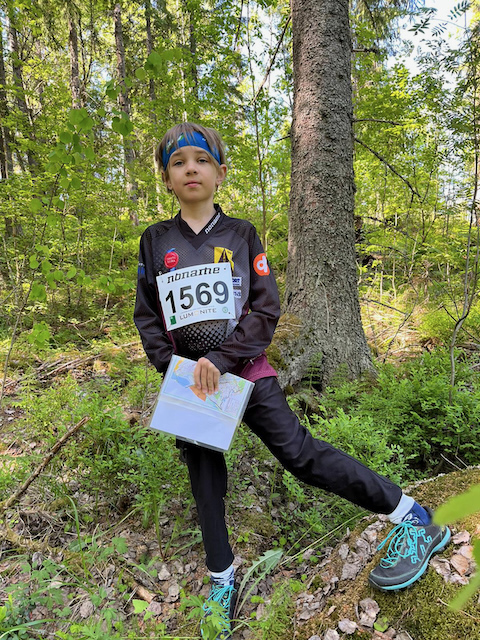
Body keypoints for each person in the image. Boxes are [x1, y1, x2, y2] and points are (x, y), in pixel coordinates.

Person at [134, 122, 451, 639]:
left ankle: (414, 516)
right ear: (166, 179)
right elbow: (148, 316)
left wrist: (223, 358)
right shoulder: (155, 240)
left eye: (201, 159)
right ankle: (222, 582)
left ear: (220, 172)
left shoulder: (241, 235)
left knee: (300, 454)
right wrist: (174, 368)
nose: (191, 169)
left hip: (246, 373)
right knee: (205, 481)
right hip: (190, 384)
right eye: (178, 162)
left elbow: (265, 310)